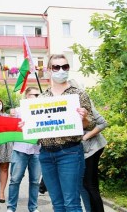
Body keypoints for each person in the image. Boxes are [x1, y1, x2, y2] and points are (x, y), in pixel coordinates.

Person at [36, 54, 95, 211]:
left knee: (71, 203)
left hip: (70, 152)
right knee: (57, 203)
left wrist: (84, 118)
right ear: (49, 70)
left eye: (65, 67)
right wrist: (27, 125)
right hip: (46, 154)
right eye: (56, 67)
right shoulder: (42, 98)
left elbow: (91, 124)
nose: (61, 70)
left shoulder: (79, 94)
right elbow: (37, 129)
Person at [68, 80, 108, 212]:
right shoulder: (68, 106)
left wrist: (85, 137)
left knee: (90, 185)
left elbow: (102, 123)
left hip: (93, 148)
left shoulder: (85, 104)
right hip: (84, 149)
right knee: (85, 184)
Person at [7, 87, 41, 212]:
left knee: (35, 181)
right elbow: (9, 127)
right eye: (34, 95)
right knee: (15, 180)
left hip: (37, 150)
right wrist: (12, 117)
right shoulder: (18, 111)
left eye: (38, 95)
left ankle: (33, 207)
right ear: (27, 96)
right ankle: (11, 207)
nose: (37, 97)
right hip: (20, 149)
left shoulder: (43, 110)